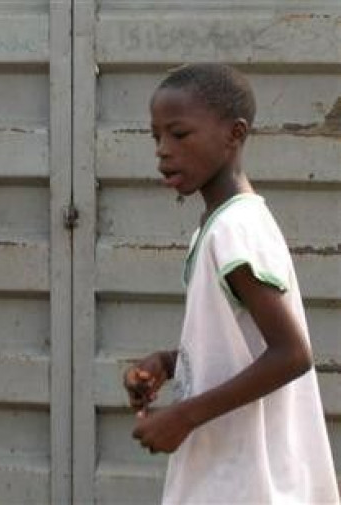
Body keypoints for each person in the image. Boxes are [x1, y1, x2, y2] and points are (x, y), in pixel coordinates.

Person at [123, 63, 340, 503]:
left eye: (179, 134)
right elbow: (244, 342)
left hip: (246, 482)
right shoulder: (221, 225)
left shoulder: (233, 230)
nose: (163, 150)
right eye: (156, 137)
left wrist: (182, 417)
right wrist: (170, 362)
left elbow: (291, 354)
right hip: (230, 474)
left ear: (234, 134)